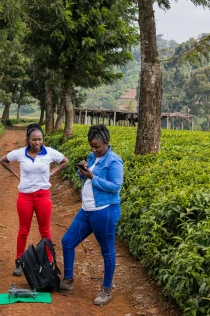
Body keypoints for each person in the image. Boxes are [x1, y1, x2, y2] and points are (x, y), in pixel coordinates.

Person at [60, 124, 123, 306]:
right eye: (92, 146)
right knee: (67, 242)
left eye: (97, 147)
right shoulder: (91, 156)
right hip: (87, 210)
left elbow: (116, 187)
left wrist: (92, 177)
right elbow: (87, 178)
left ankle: (106, 290)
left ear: (106, 142)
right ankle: (68, 281)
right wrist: (83, 173)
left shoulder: (114, 161)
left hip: (104, 211)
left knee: (107, 251)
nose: (94, 150)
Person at [0, 123, 69, 276]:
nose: (37, 143)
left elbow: (65, 161)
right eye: (34, 140)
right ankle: (19, 261)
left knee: (44, 231)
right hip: (25, 197)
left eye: (40, 139)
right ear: (28, 140)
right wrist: (16, 175)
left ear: (43, 140)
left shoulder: (49, 153)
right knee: (23, 230)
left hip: (43, 196)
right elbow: (3, 160)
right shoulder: (19, 153)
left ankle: (50, 260)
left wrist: (52, 172)